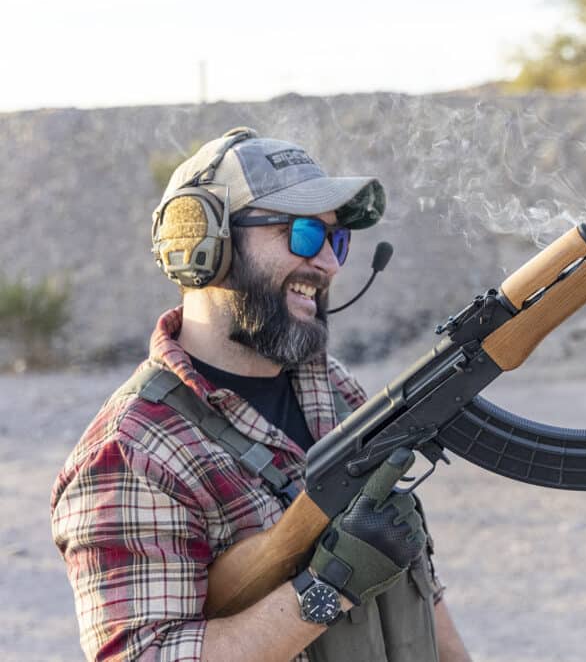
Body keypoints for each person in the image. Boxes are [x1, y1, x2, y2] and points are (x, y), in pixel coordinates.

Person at [50, 128, 473, 661]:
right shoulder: (132, 453)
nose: (328, 263)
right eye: (301, 234)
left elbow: (417, 584)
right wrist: (330, 589)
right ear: (205, 244)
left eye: (335, 239)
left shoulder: (335, 388)